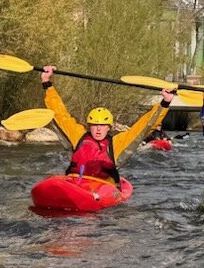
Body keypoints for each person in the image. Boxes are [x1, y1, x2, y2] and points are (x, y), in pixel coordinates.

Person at [41, 65, 174, 183]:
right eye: (94, 125)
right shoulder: (78, 136)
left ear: (109, 127)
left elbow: (144, 126)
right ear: (89, 126)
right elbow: (60, 114)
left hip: (103, 186)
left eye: (103, 126)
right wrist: (47, 83)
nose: (98, 129)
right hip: (77, 182)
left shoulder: (117, 144)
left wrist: (164, 103)